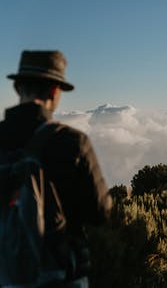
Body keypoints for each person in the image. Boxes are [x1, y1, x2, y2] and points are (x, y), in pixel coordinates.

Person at [0, 50, 112, 288]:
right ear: (55, 91)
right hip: (60, 274)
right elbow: (100, 211)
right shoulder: (72, 141)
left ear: (18, 87)